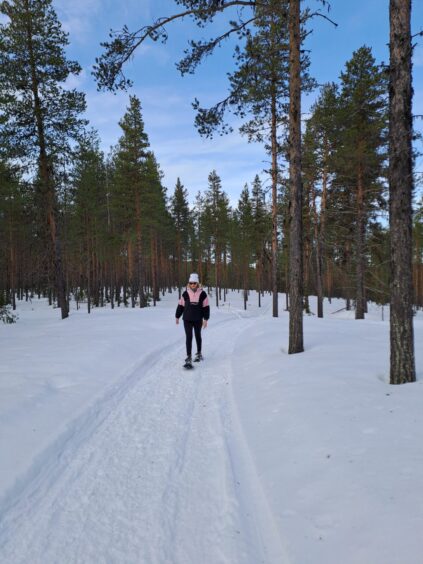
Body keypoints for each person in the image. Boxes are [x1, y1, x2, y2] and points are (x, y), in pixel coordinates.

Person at [175, 273, 210, 366]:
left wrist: (206, 319)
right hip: (187, 319)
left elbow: (206, 307)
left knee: (198, 336)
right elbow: (180, 305)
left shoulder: (202, 294)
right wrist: (177, 316)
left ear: (197, 283)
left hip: (198, 319)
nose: (193, 285)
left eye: (194, 283)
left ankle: (199, 354)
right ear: (189, 283)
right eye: (191, 283)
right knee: (189, 337)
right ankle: (189, 356)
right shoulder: (185, 293)